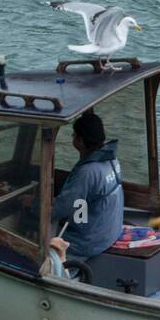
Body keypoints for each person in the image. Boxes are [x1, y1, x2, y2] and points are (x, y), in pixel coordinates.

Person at [49, 111, 123, 265]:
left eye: (73, 135)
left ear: (80, 141)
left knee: (43, 254)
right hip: (109, 231)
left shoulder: (87, 172)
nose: (72, 139)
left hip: (87, 242)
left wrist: (34, 205)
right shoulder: (111, 159)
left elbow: (63, 207)